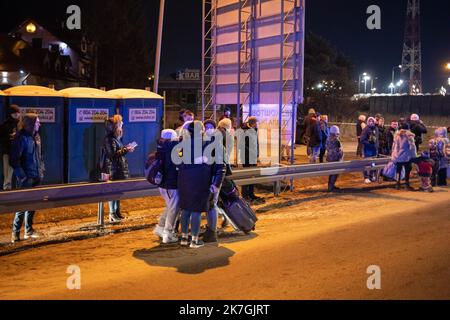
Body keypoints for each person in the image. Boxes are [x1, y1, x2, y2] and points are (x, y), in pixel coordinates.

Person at [178, 121, 225, 249]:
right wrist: (216, 184)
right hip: (201, 183)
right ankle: (194, 240)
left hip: (184, 183)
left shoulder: (183, 146)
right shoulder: (208, 145)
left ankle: (184, 238)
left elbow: (179, 161)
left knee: (186, 210)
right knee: (196, 211)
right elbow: (220, 166)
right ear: (202, 131)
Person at [10, 114, 45, 243]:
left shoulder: (36, 137)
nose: (39, 124)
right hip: (26, 178)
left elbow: (40, 156)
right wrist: (22, 176)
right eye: (37, 122)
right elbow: (14, 160)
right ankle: (15, 233)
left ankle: (28, 230)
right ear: (30, 124)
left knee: (33, 204)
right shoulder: (21, 138)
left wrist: (41, 169)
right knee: (22, 206)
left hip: (36, 176)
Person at [102, 115, 135, 222]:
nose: (122, 124)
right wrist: (126, 149)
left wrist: (126, 148)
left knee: (118, 192)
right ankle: (112, 214)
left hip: (118, 168)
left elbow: (118, 152)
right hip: (113, 169)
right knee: (113, 191)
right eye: (121, 123)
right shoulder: (109, 139)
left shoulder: (116, 138)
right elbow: (113, 155)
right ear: (116, 125)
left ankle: (117, 212)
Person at [154, 129, 180, 244]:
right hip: (170, 184)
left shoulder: (162, 147)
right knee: (173, 209)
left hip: (164, 184)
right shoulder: (172, 148)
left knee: (170, 207)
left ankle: (160, 228)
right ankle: (168, 233)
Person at [239, 117, 264, 204]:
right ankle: (245, 195)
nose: (257, 124)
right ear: (253, 123)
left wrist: (257, 154)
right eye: (256, 123)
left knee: (253, 176)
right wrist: (251, 152)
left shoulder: (254, 130)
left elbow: (256, 144)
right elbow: (241, 145)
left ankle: (251, 194)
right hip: (246, 157)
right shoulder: (244, 131)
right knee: (246, 176)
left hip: (253, 157)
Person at [0, 105, 21, 191]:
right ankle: (7, 188)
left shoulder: (21, 124)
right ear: (10, 114)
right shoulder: (5, 125)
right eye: (14, 113)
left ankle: (17, 188)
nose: (16, 115)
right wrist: (9, 138)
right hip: (8, 151)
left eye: (17, 113)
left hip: (18, 151)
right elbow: (1, 138)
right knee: (8, 170)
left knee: (15, 170)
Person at [391, 124, 417, 190]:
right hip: (406, 156)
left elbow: (394, 146)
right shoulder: (409, 136)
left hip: (397, 156)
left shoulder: (396, 135)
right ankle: (406, 184)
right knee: (407, 170)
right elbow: (412, 147)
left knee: (398, 170)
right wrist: (414, 156)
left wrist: (393, 155)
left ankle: (397, 184)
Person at [360, 117, 379, 183]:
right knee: (367, 163)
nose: (371, 122)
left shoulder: (376, 129)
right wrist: (369, 144)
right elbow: (362, 140)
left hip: (374, 149)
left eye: (372, 121)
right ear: (368, 122)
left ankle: (371, 176)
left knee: (373, 163)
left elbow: (377, 139)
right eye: (369, 121)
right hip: (367, 149)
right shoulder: (365, 129)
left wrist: (376, 146)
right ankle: (366, 177)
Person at [326, 126, 344, 192]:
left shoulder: (328, 138)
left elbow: (327, 148)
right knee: (334, 173)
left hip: (330, 157)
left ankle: (331, 185)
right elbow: (338, 150)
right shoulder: (336, 139)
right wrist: (340, 156)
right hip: (335, 158)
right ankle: (331, 187)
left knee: (332, 173)